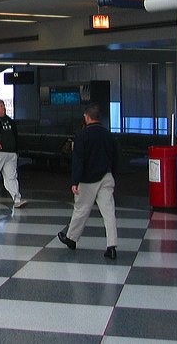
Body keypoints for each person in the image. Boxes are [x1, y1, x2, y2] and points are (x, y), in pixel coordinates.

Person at [58, 102, 119, 260]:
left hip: (87, 180)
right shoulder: (108, 134)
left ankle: (71, 239)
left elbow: (78, 160)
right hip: (106, 176)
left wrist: (75, 181)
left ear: (87, 117)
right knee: (109, 212)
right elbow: (115, 157)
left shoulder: (82, 135)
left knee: (81, 209)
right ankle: (111, 246)